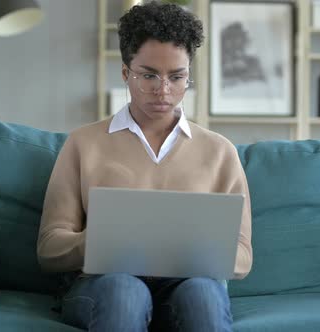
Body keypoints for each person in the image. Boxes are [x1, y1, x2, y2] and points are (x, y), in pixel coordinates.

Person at [37, 2, 252, 331]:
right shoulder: (83, 144)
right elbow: (49, 248)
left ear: (188, 76)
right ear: (126, 72)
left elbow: (242, 258)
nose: (163, 90)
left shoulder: (220, 152)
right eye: (148, 75)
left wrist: (195, 250)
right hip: (104, 286)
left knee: (204, 295)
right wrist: (102, 240)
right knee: (125, 292)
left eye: (177, 77)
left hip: (186, 286)